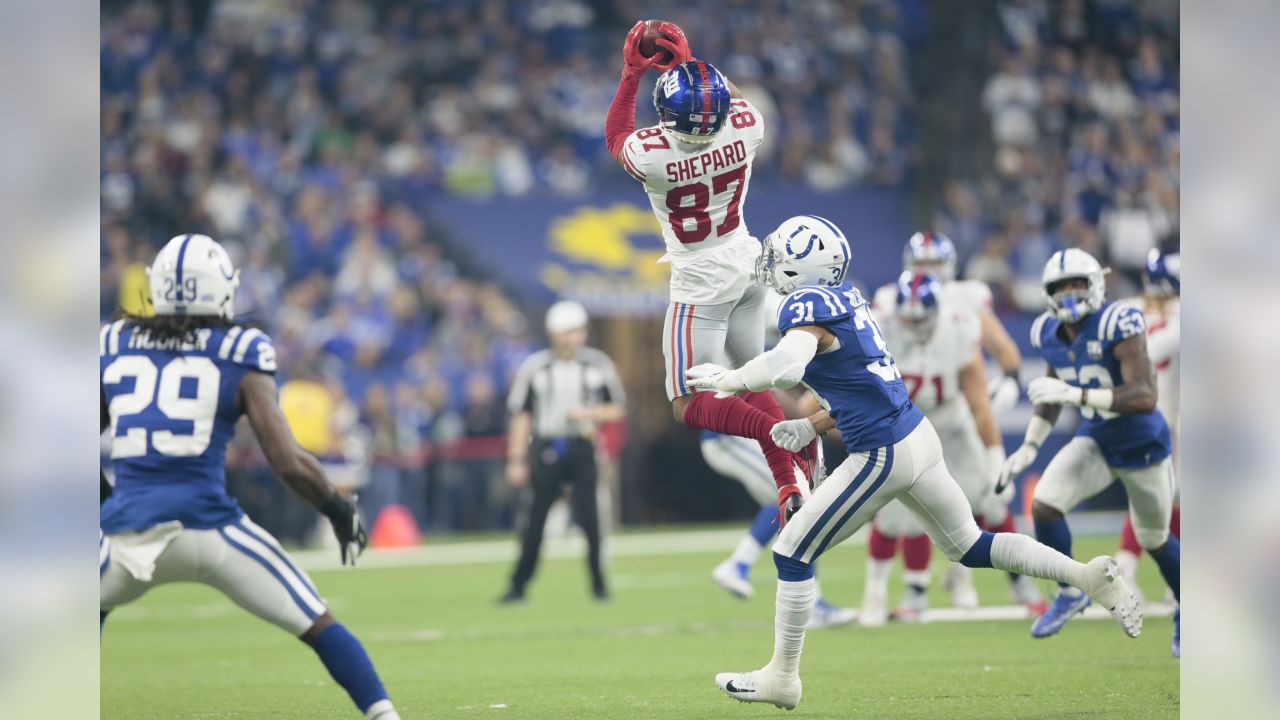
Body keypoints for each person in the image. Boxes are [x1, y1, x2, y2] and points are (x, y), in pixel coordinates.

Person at [686, 216, 1140, 711]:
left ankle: (782, 678)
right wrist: (811, 426)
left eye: (782, 256)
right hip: (915, 434)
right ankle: (1085, 576)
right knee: (970, 545)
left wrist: (729, 379)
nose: (772, 263)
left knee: (792, 551)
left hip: (883, 451)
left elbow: (787, 365)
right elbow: (864, 387)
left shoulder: (807, 304)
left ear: (804, 267)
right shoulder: (850, 300)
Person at [100, 234, 400, 720]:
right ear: (220, 288)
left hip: (129, 534)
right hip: (212, 530)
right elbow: (285, 460)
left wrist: (108, 504)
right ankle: (385, 715)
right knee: (319, 624)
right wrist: (338, 509)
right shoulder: (240, 347)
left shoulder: (113, 341)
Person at [605, 23, 817, 520]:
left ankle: (784, 436)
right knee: (752, 382)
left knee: (687, 402)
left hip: (701, 276)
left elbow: (616, 134)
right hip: (747, 259)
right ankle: (789, 481)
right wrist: (691, 64)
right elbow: (728, 98)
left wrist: (633, 72)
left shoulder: (655, 155)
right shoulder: (745, 125)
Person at [999, 248, 1181, 656]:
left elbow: (1144, 396)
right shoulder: (1047, 331)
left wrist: (1075, 393)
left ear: (1095, 284)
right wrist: (1029, 445)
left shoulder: (1120, 322)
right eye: (1060, 287)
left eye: (1076, 284)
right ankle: (1069, 591)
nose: (1069, 293)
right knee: (1044, 506)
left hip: (1144, 446)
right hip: (1098, 440)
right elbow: (1051, 393)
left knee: (1154, 537)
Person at [859, 271, 1044, 626]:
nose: (912, 326)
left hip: (954, 422)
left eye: (920, 318)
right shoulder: (879, 328)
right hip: (905, 424)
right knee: (899, 514)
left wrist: (994, 459)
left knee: (992, 497)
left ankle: (1022, 583)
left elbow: (977, 404)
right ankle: (902, 592)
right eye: (907, 318)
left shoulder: (958, 328)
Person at [500, 301, 626, 603]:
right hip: (547, 446)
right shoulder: (536, 366)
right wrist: (516, 458)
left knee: (591, 518)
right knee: (535, 520)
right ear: (554, 333)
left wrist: (589, 412)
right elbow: (522, 414)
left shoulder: (597, 364)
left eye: (577, 331)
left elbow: (617, 408)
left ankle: (598, 584)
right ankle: (518, 585)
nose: (572, 338)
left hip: (583, 445)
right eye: (566, 331)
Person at [1114, 245, 1180, 598]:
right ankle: (1126, 564)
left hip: (1140, 413)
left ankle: (1135, 565)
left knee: (1168, 493)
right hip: (1162, 416)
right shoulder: (1178, 314)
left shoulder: (1128, 309)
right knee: (1160, 494)